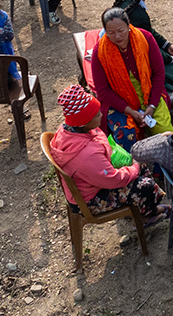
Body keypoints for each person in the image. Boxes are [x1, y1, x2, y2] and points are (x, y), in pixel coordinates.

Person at [48, 85, 164, 220]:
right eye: (97, 115)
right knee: (145, 185)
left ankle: (143, 206)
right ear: (85, 122)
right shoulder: (86, 155)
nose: (101, 115)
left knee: (139, 166)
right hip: (90, 199)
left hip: (88, 184)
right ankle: (147, 216)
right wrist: (134, 168)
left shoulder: (67, 130)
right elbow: (112, 179)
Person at [89, 5, 173, 149]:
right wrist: (130, 111)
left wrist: (152, 106)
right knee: (126, 133)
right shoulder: (100, 52)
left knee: (166, 136)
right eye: (111, 33)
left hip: (149, 94)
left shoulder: (145, 38)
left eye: (121, 30)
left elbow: (158, 73)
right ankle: (136, 169)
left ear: (128, 25)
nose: (117, 37)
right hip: (119, 101)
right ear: (105, 32)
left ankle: (163, 170)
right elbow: (103, 91)